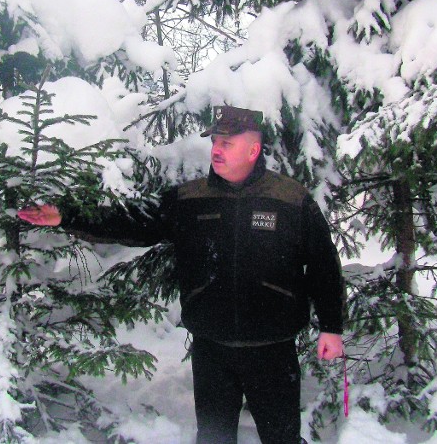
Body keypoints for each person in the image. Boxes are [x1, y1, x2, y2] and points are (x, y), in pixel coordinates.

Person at [18, 105, 344, 444]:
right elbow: (133, 222)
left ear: (253, 149)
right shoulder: (191, 199)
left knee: (282, 439)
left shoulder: (290, 199)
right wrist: (66, 217)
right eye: (216, 141)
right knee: (213, 438)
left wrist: (331, 327)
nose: (217, 149)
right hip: (211, 349)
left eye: (227, 143)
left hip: (273, 349)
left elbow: (323, 264)